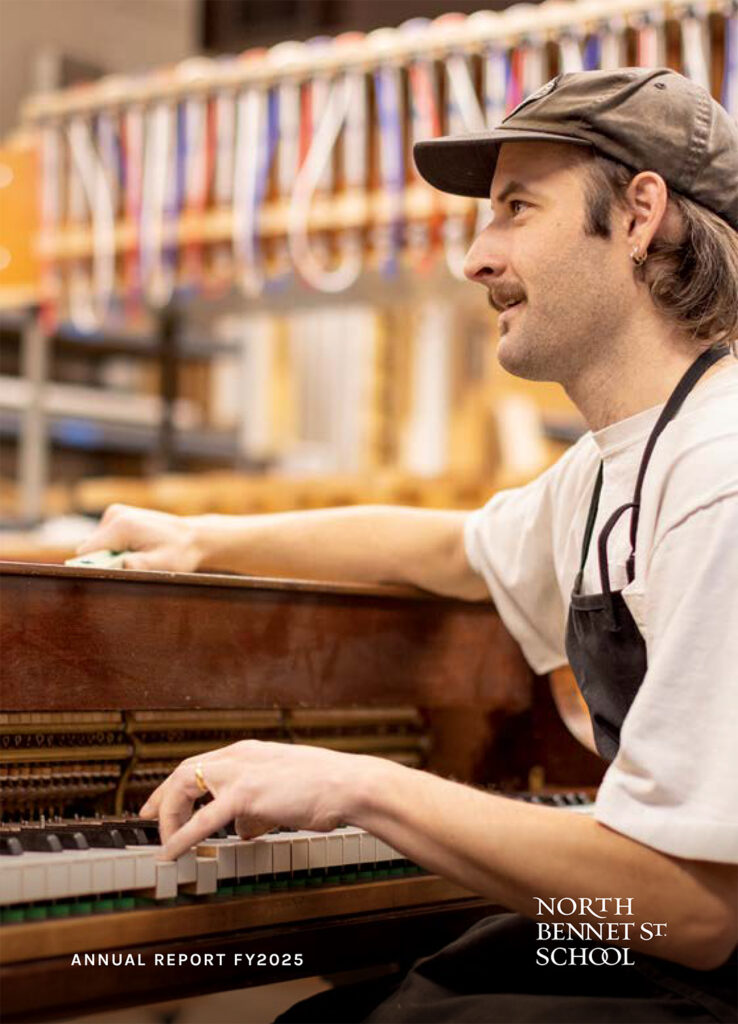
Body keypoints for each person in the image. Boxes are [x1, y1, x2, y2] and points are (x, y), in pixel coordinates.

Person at [78, 68, 738, 1022]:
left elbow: (695, 909)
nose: (476, 258)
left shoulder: (717, 473)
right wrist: (203, 539)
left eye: (516, 207)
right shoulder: (616, 466)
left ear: (640, 216)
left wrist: (359, 786)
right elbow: (451, 550)